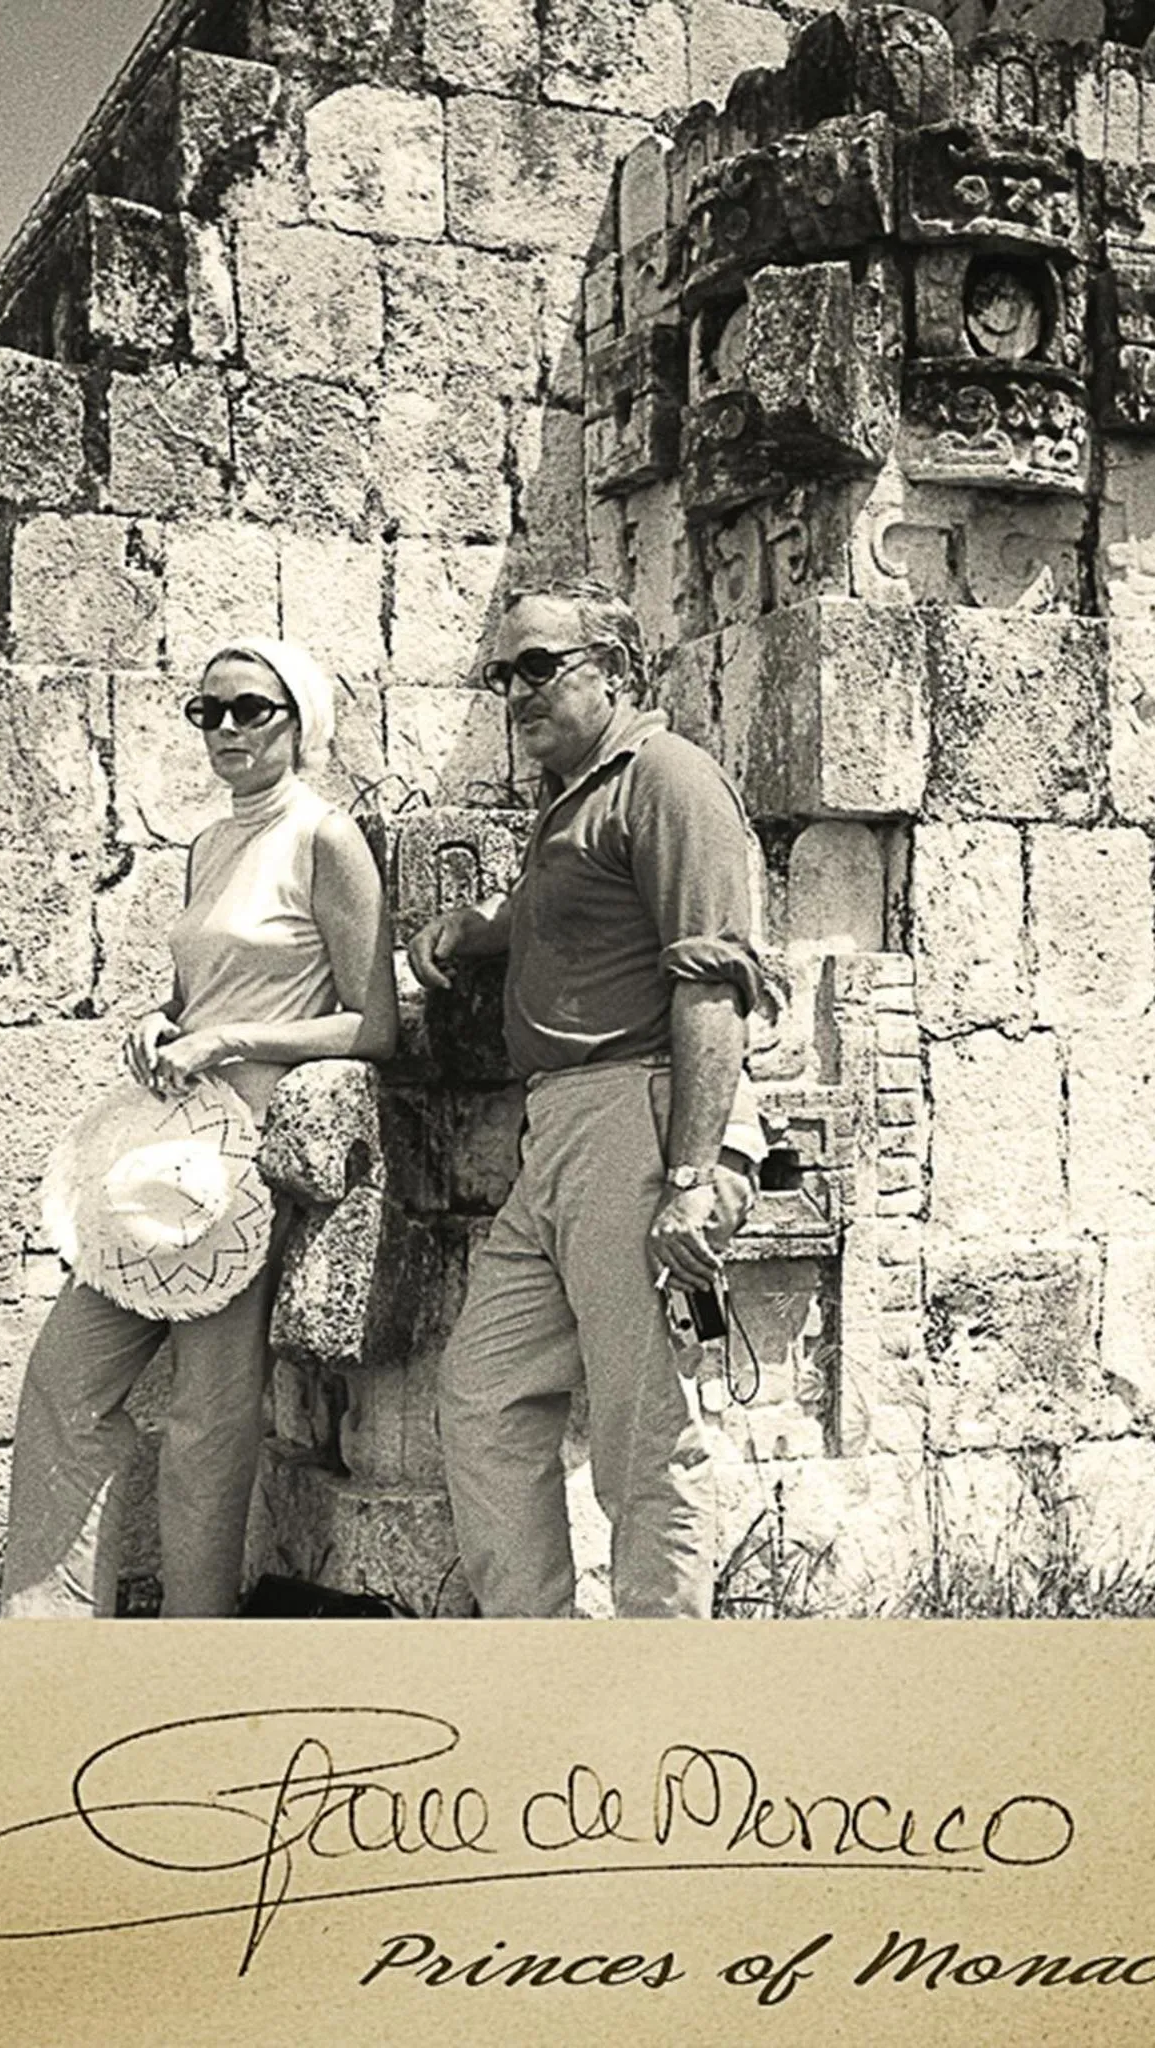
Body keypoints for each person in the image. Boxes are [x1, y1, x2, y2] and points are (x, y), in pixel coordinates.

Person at [0, 641, 397, 1619]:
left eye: (247, 708)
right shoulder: (211, 843)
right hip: (170, 1153)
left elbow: (374, 1020)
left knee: (206, 1423)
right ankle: (42, 1649)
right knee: (64, 1382)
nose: (224, 728)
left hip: (250, 1167)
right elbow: (194, 994)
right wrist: (163, 1022)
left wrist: (230, 1036)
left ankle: (192, 1655)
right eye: (206, 711)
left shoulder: (325, 837)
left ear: (297, 720)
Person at [407, 578, 773, 1620]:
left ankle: (664, 1695)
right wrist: (474, 928)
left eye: (538, 665)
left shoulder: (668, 776)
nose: (514, 689)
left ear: (613, 670)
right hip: (557, 1128)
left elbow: (711, 982)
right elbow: (559, 908)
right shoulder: (574, 796)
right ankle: (541, 1659)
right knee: (481, 1396)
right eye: (499, 673)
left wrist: (693, 1178)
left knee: (641, 1429)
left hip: (636, 1115)